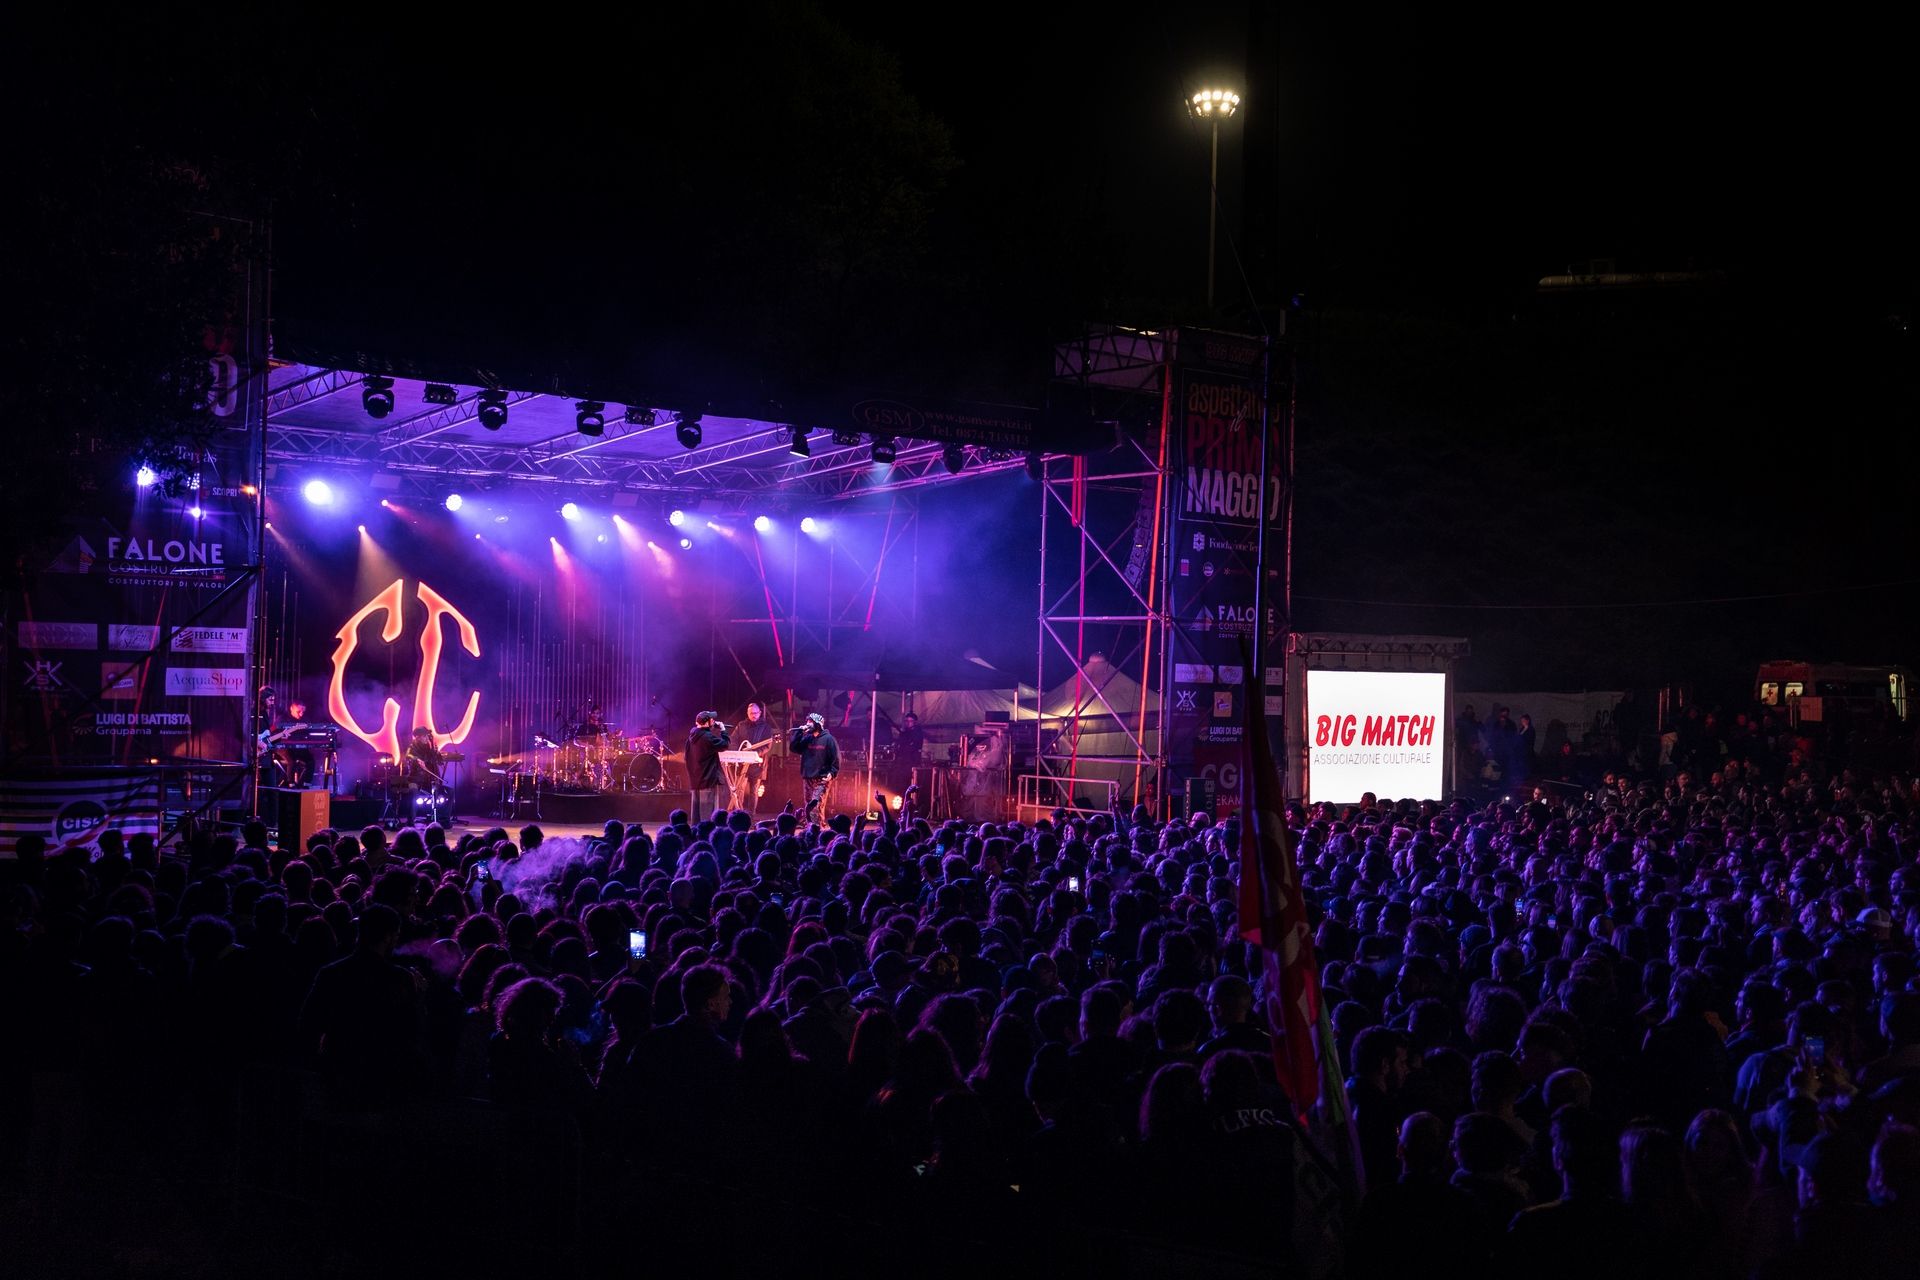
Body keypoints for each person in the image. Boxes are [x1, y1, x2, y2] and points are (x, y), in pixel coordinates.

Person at [732, 700, 779, 819]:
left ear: (760, 713)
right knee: (739, 789)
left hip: (757, 765)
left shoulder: (766, 727)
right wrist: (738, 753)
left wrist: (754, 754)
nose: (753, 715)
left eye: (755, 713)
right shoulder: (741, 725)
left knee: (753, 791)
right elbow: (733, 740)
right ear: (747, 713)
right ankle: (738, 813)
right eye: (751, 713)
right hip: (742, 763)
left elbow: (767, 746)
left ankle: (751, 816)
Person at [789, 712, 840, 822]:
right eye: (807, 721)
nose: (808, 724)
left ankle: (817, 830)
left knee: (816, 806)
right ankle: (811, 830)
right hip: (808, 777)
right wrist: (799, 733)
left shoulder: (829, 739)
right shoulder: (807, 738)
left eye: (810, 722)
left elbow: (836, 758)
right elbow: (794, 748)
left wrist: (832, 772)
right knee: (808, 807)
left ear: (818, 724)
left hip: (822, 778)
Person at [685, 711, 730, 819]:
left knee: (696, 815)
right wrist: (723, 730)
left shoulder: (691, 737)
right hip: (708, 780)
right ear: (706, 722)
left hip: (696, 780)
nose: (713, 721)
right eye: (712, 719)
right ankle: (706, 835)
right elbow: (725, 744)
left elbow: (686, 757)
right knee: (707, 814)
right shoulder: (707, 737)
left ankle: (696, 834)